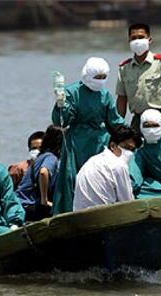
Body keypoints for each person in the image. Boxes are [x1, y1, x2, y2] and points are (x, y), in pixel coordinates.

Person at [51, 57, 126, 215]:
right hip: (77, 143)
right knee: (73, 178)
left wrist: (129, 133)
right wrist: (61, 104)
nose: (99, 81)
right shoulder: (72, 92)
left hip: (100, 141)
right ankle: (70, 212)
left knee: (101, 176)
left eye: (103, 77)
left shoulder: (105, 94)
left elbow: (114, 120)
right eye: (96, 77)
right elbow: (62, 121)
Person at [116, 23, 161, 137]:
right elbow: (121, 98)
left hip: (159, 117)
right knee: (136, 152)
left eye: (141, 37)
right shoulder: (124, 67)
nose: (137, 41)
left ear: (149, 39)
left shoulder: (160, 62)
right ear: (129, 41)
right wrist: (118, 124)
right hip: (137, 120)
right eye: (133, 38)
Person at [73, 125, 142, 211]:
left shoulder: (92, 160)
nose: (129, 153)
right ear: (113, 146)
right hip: (103, 219)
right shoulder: (119, 165)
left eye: (132, 150)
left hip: (79, 217)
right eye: (126, 148)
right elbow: (128, 204)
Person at [15, 125, 63, 221]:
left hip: (22, 205)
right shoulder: (51, 157)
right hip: (28, 206)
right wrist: (45, 201)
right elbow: (43, 172)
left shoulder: (42, 156)